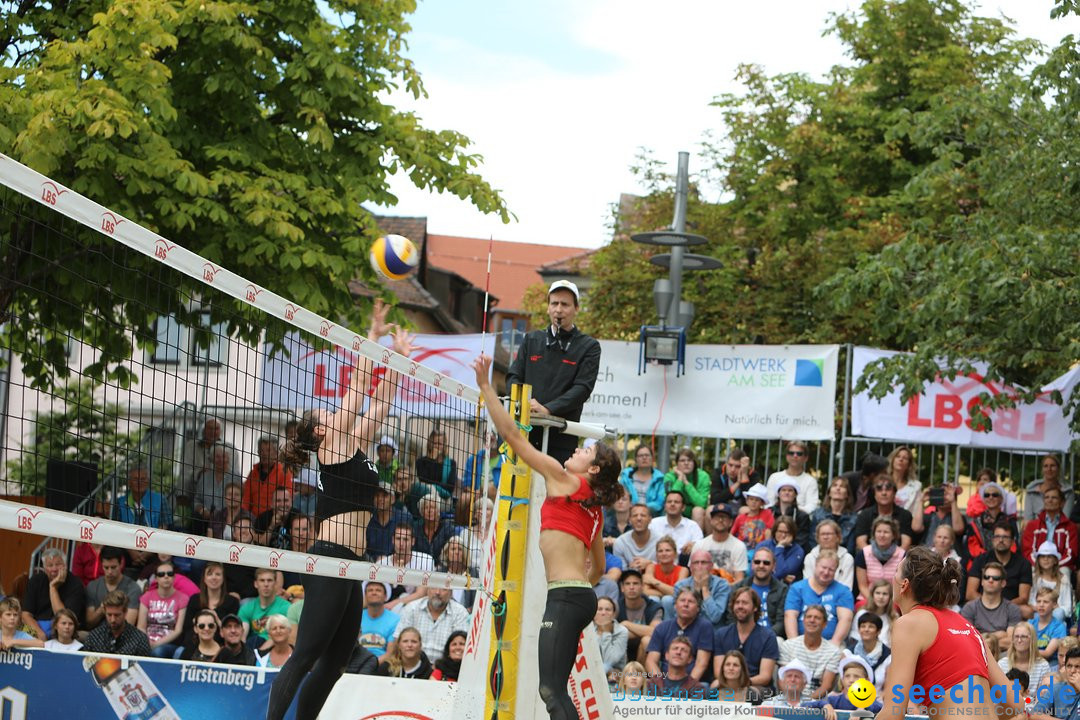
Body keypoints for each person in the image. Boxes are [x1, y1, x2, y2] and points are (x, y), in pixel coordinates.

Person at [266, 301, 412, 720]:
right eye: (325, 413)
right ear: (319, 429)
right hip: (329, 558)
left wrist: (400, 359)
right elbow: (360, 385)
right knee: (306, 654)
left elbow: (380, 402)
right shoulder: (330, 446)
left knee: (335, 663)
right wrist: (373, 330)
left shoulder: (354, 446)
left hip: (354, 563)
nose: (333, 411)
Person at [474, 352, 619, 719]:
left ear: (594, 468)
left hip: (567, 597)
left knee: (551, 692)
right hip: (579, 597)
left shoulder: (563, 479)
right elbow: (599, 568)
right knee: (553, 691)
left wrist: (486, 387)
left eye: (585, 450)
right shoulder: (594, 508)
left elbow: (511, 435)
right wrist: (575, 588)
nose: (577, 449)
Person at [876, 545, 1026, 720]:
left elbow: (894, 711)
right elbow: (1015, 705)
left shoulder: (908, 624)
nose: (892, 577)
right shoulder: (968, 626)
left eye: (895, 572)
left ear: (904, 585)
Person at [504, 279, 602, 465]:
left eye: (565, 304)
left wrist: (548, 409)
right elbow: (513, 376)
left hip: (561, 440)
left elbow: (582, 388)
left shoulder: (589, 346)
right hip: (524, 433)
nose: (558, 309)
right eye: (554, 303)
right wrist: (523, 402)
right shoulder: (531, 340)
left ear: (576, 309)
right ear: (548, 307)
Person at [713, 586, 779, 690]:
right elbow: (718, 672)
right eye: (737, 602)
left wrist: (741, 684)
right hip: (727, 683)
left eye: (744, 603)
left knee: (749, 694)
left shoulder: (768, 636)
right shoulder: (721, 634)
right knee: (712, 689)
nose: (740, 606)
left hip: (755, 685)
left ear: (755, 607)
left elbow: (765, 677)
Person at [784, 549, 854, 646]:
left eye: (831, 570)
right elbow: (790, 616)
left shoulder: (843, 591)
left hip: (831, 643)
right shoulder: (797, 588)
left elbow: (845, 619)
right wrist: (794, 643)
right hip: (800, 642)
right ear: (816, 565)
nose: (826, 572)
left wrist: (834, 644)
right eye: (823, 567)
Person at [645, 588, 714, 685]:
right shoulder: (662, 627)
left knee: (704, 686)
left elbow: (701, 663)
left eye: (690, 601)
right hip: (664, 680)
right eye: (682, 600)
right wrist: (660, 684)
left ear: (698, 608)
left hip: (693, 682)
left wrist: (686, 687)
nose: (685, 604)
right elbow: (651, 661)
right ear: (675, 606)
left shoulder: (705, 627)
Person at [966, 520, 1033, 619]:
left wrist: (1001, 606)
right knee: (967, 608)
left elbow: (1023, 598)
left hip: (1009, 606)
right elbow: (970, 594)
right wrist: (989, 604)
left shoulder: (1024, 564)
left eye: (1005, 537)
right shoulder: (981, 560)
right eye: (997, 536)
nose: (1001, 540)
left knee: (1027, 611)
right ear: (992, 540)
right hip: (983, 604)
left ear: (1012, 541)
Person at [390, 586, 470, 664]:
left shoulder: (460, 612)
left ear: (451, 593)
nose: (437, 592)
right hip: (414, 664)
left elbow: (461, 646)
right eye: (433, 587)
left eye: (443, 589)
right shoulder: (412, 608)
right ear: (427, 590)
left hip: (446, 667)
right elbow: (398, 639)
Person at [21, 547, 86, 640]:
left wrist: (53, 588)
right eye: (50, 565)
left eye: (58, 564)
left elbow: (64, 618)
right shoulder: (35, 581)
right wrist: (39, 633)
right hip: (38, 628)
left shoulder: (76, 584)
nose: (54, 569)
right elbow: (26, 614)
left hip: (66, 630)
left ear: (65, 566)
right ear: (44, 568)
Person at [779, 604, 842, 699]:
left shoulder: (833, 652)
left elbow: (826, 686)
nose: (812, 620)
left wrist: (806, 703)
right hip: (789, 698)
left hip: (816, 702)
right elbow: (782, 680)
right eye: (809, 617)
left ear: (825, 624)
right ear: (803, 621)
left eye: (817, 618)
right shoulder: (788, 645)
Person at [961, 560, 1023, 653]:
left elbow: (1012, 641)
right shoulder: (969, 608)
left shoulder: (1012, 609)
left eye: (996, 578)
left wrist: (983, 639)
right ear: (982, 582)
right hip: (976, 654)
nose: (990, 580)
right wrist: (1000, 635)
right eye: (986, 577)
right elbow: (966, 640)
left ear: (1003, 583)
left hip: (1004, 656)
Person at [802, 655, 884, 720]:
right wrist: (825, 704)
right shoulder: (834, 700)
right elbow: (804, 705)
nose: (851, 680)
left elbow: (880, 707)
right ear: (842, 679)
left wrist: (863, 707)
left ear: (867, 680)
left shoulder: (871, 701)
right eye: (847, 676)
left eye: (856, 676)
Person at [729, 546, 788, 636]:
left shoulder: (782, 589)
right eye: (757, 562)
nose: (761, 565)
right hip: (741, 635)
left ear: (774, 566)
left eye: (766, 563)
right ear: (752, 565)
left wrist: (764, 637)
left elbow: (781, 622)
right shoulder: (738, 587)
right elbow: (730, 618)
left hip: (771, 637)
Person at [182, 562, 238, 652]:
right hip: (194, 646)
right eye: (209, 574)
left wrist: (217, 620)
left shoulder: (232, 602)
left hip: (221, 648)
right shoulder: (194, 600)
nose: (214, 577)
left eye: (218, 574)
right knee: (179, 652)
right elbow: (187, 629)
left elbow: (233, 632)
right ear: (204, 578)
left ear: (223, 578)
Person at [668, 549, 730, 629]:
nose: (700, 566)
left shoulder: (722, 585)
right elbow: (681, 618)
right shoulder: (680, 585)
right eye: (696, 563)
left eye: (703, 562)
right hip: (687, 631)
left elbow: (715, 617)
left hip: (712, 632)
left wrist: (705, 589)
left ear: (711, 566)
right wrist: (696, 591)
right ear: (690, 567)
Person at [137, 560, 188, 658]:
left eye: (170, 574)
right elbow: (141, 627)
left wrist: (156, 644)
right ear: (156, 578)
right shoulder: (146, 596)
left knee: (158, 652)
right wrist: (148, 643)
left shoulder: (183, 598)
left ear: (174, 577)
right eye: (161, 574)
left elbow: (178, 630)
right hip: (146, 641)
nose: (166, 577)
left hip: (170, 643)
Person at [378, 524, 436, 610]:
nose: (401, 543)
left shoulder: (426, 560)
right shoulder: (381, 564)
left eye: (405, 539)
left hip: (415, 607)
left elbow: (421, 594)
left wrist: (392, 604)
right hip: (385, 606)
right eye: (398, 539)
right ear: (393, 540)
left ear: (413, 541)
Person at [181, 418, 238, 500]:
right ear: (203, 430)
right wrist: (200, 473)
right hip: (196, 483)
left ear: (221, 431)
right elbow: (185, 471)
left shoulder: (230, 448)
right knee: (183, 481)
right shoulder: (192, 445)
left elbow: (234, 472)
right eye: (210, 428)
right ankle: (183, 509)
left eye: (216, 429)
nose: (213, 432)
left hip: (223, 483)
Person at [964, 481, 1019, 566]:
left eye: (995, 495)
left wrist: (1000, 558)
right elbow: (972, 547)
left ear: (1001, 499)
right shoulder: (975, 522)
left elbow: (1013, 545)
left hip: (1005, 563)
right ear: (983, 499)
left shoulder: (1010, 521)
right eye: (987, 495)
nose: (990, 497)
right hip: (980, 564)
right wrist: (990, 558)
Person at [85, 546, 141, 629]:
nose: (110, 572)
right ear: (101, 565)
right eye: (106, 567)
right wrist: (101, 610)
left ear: (121, 564)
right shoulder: (92, 586)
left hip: (122, 637)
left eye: (113, 567)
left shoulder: (133, 588)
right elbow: (89, 623)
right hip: (94, 635)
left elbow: (129, 624)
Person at [1022, 487, 1077, 570]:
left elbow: (1071, 554)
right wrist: (1040, 565)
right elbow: (1028, 551)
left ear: (1062, 503)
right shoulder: (1032, 525)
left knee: (1065, 573)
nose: (1049, 500)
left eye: (1054, 497)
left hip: (1061, 566)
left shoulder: (1070, 527)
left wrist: (1055, 566)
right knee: (1031, 573)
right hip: (1036, 566)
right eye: (1046, 497)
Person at [83, 590, 152, 656]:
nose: (113, 620)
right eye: (109, 615)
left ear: (125, 612)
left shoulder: (139, 639)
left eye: (117, 615)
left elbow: (145, 666)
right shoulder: (94, 637)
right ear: (104, 612)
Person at [616, 569, 664, 665]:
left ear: (642, 587)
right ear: (622, 588)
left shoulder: (654, 607)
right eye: (627, 584)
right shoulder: (616, 607)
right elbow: (611, 633)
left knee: (647, 640)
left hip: (644, 653)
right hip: (622, 651)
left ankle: (640, 676)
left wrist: (626, 624)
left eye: (635, 583)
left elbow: (655, 632)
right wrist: (642, 631)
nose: (632, 587)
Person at [692, 503, 748, 584]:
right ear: (711, 520)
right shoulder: (699, 545)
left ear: (731, 522)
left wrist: (722, 589)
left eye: (724, 517)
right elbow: (694, 574)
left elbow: (739, 579)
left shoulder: (739, 546)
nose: (720, 520)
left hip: (729, 589)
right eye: (717, 517)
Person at [193, 444, 242, 533]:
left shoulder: (236, 478)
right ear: (212, 459)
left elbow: (241, 501)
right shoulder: (205, 477)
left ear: (228, 459)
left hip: (227, 520)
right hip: (205, 519)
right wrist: (203, 511)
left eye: (223, 456)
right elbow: (197, 500)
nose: (220, 460)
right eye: (217, 457)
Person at [855, 516, 906, 603]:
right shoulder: (863, 554)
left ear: (894, 535)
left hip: (893, 601)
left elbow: (902, 585)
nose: (882, 535)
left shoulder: (903, 556)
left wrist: (887, 604)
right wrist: (874, 602)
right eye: (878, 531)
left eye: (886, 532)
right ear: (874, 534)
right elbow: (862, 586)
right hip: (868, 599)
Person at [853, 478, 913, 550]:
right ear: (874, 494)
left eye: (888, 489)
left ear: (894, 493)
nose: (884, 493)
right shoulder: (864, 515)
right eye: (879, 489)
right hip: (869, 558)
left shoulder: (905, 515)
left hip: (898, 559)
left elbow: (906, 544)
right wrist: (873, 558)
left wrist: (895, 559)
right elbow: (860, 542)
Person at [239, 568, 291, 651]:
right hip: (252, 647)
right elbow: (242, 637)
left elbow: (287, 636)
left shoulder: (286, 607)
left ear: (275, 583)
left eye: (269, 580)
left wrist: (258, 654)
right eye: (262, 580)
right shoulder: (247, 608)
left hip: (277, 647)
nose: (266, 584)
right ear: (256, 584)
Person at [242, 437, 293, 518]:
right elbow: (246, 501)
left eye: (268, 450)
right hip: (254, 519)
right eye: (261, 451)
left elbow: (288, 498)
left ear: (276, 453)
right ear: (258, 452)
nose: (264, 454)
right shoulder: (252, 474)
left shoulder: (284, 472)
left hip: (275, 517)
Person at [663, 447, 712, 530]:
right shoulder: (669, 476)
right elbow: (671, 499)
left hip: (694, 511)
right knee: (672, 505)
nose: (686, 463)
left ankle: (697, 541)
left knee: (698, 510)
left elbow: (702, 503)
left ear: (694, 463)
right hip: (677, 510)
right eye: (682, 460)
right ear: (677, 464)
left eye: (689, 460)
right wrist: (679, 479)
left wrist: (686, 482)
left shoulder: (703, 476)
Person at [114, 462, 172, 529]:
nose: (139, 482)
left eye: (143, 479)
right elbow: (116, 528)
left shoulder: (161, 500)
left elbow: (165, 528)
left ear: (148, 481)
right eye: (135, 479)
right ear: (129, 482)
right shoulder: (120, 502)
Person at [766, 441, 820, 512]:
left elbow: (812, 506)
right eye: (791, 453)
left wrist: (792, 511)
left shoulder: (810, 481)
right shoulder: (774, 477)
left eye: (799, 454)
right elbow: (768, 503)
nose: (795, 456)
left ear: (806, 458)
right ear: (787, 456)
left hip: (800, 519)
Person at [648, 491, 703, 559]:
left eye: (676, 502)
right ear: (665, 507)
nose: (672, 504)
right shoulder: (653, 524)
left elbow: (701, 545)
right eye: (669, 502)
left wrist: (694, 546)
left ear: (683, 507)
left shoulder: (693, 526)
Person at [1000, 621, 1052, 691]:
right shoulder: (1002, 664)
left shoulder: (1043, 666)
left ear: (1032, 640)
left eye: (1023, 637)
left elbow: (1045, 696)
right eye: (1016, 636)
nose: (1019, 640)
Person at [1029, 647, 1080, 720]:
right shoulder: (1055, 689)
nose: (1072, 670)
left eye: (1077, 667)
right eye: (1069, 666)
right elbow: (1034, 714)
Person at [1028, 542, 1073, 624]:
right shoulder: (1034, 578)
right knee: (1036, 616)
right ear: (1038, 560)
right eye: (1042, 556)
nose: (1046, 559)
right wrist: (1042, 607)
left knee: (1058, 613)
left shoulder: (1063, 579)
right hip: (1038, 612)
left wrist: (1056, 607)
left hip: (1056, 615)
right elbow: (1031, 602)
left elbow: (1068, 608)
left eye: (1049, 556)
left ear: (1055, 560)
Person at [803, 520, 855, 590]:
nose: (825, 537)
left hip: (839, 598)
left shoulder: (847, 558)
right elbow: (807, 585)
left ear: (838, 537)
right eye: (822, 534)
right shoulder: (810, 557)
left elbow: (847, 587)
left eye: (829, 534)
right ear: (817, 538)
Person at [1024, 454, 1075, 523]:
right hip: (1035, 530)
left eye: (1052, 466)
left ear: (1058, 469)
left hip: (1059, 529)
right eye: (1046, 466)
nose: (1049, 469)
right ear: (1042, 469)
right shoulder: (1031, 492)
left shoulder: (1068, 492)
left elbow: (1065, 519)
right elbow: (1027, 520)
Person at [811, 477, 858, 550]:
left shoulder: (854, 518)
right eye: (835, 485)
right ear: (829, 492)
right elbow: (812, 541)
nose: (838, 488)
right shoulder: (817, 514)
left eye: (842, 486)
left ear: (847, 494)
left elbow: (851, 547)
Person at [611, 504, 658, 572]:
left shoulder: (660, 541)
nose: (639, 518)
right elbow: (619, 571)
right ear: (629, 520)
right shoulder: (620, 542)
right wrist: (631, 569)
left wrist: (650, 564)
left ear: (650, 520)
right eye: (635, 515)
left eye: (643, 515)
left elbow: (668, 567)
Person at [620, 445, 666, 515]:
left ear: (652, 458)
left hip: (652, 517)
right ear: (636, 459)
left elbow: (659, 503)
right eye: (640, 456)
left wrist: (640, 508)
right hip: (629, 516)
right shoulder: (626, 477)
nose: (644, 458)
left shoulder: (660, 479)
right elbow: (620, 497)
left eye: (647, 455)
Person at [851, 611, 891, 690]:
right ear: (858, 630)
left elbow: (888, 689)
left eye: (871, 627)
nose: (866, 629)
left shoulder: (888, 656)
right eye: (863, 626)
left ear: (878, 631)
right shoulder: (849, 653)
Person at [412, 491, 457, 561]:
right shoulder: (415, 528)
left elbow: (450, 551)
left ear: (438, 511)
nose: (430, 510)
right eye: (426, 508)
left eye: (433, 507)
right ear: (421, 512)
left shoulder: (448, 528)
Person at [770, 479, 811, 553]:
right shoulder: (769, 512)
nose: (787, 493)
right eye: (783, 490)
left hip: (792, 552)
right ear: (778, 494)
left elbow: (801, 539)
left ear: (795, 494)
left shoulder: (802, 516)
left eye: (790, 490)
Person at [415, 428, 458, 499]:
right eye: (435, 443)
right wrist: (432, 459)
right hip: (424, 496)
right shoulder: (421, 461)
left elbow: (450, 487)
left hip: (443, 498)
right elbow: (423, 480)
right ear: (430, 444)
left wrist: (433, 486)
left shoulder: (451, 463)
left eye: (440, 444)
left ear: (444, 446)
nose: (437, 446)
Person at [641, 535, 688, 600]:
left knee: (667, 599)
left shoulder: (683, 570)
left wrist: (653, 581)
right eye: (660, 551)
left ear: (675, 554)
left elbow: (679, 593)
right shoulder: (651, 567)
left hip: (674, 605)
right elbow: (645, 591)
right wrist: (668, 592)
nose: (664, 553)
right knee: (654, 598)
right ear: (656, 555)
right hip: (656, 603)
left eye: (668, 550)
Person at [760, 515, 804, 583]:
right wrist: (783, 578)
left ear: (792, 534)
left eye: (787, 532)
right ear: (775, 531)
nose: (783, 535)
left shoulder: (798, 551)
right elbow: (755, 573)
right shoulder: (763, 545)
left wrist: (780, 547)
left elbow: (780, 572)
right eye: (780, 531)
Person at [852, 579, 897, 647]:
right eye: (878, 593)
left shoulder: (894, 617)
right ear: (872, 595)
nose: (881, 597)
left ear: (890, 597)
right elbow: (854, 637)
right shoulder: (861, 614)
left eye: (885, 594)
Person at [1030, 588, 1067, 667]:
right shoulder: (1030, 623)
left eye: (1045, 602)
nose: (1041, 605)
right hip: (1030, 661)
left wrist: (1024, 651)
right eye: (1038, 601)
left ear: (1054, 605)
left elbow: (1047, 653)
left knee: (1049, 679)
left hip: (1050, 664)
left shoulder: (1059, 627)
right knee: (1017, 674)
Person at [593, 596, 629, 678]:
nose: (603, 613)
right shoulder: (587, 630)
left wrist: (605, 631)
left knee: (605, 667)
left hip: (616, 673)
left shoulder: (622, 631)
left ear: (613, 614)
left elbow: (610, 660)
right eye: (599, 609)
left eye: (607, 610)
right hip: (592, 669)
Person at [731, 483, 774, 548]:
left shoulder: (767, 514)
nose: (753, 502)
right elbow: (731, 534)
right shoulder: (740, 518)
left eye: (757, 500)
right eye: (751, 499)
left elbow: (770, 531)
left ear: (762, 503)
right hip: (742, 549)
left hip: (760, 549)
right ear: (747, 501)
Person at [886, 446, 921, 513]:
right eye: (898, 456)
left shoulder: (916, 486)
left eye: (905, 458)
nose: (901, 459)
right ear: (893, 460)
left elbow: (916, 511)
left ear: (909, 464)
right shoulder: (882, 482)